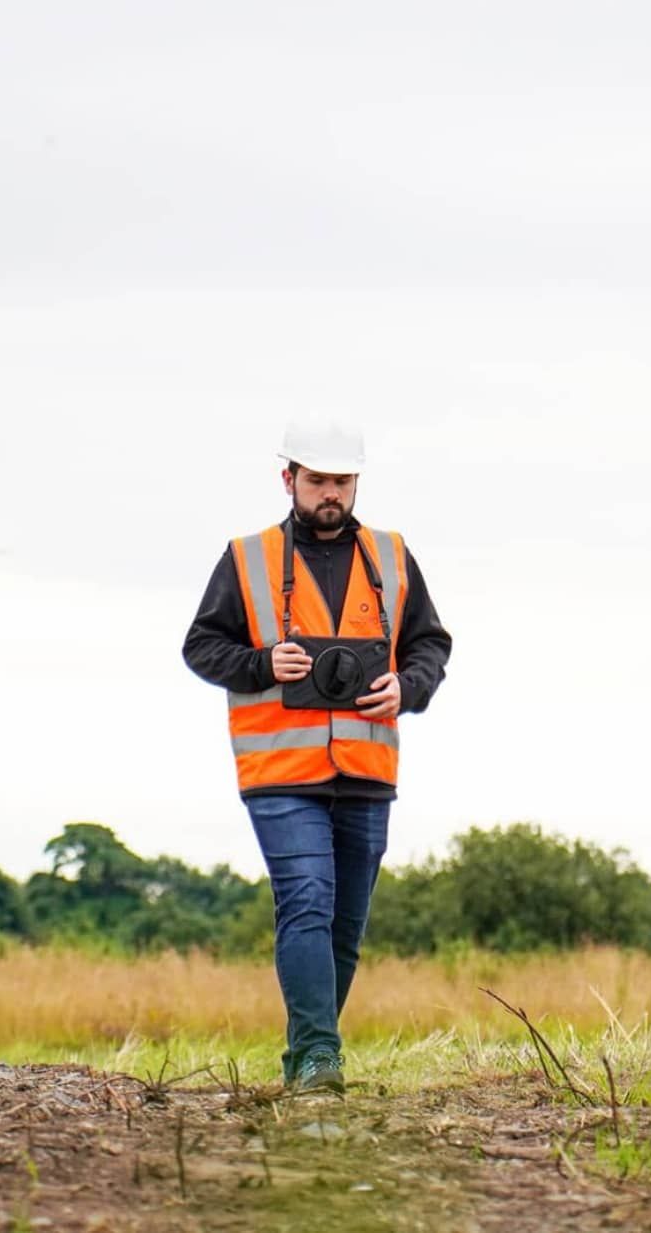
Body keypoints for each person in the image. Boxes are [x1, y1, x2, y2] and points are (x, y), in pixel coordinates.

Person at [182, 415, 453, 1094]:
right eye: (317, 481)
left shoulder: (392, 556)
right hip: (280, 773)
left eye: (341, 481)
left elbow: (430, 644)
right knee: (306, 899)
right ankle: (320, 1060)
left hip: (367, 771)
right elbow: (201, 647)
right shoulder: (245, 559)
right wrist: (264, 662)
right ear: (289, 480)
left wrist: (408, 687)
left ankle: (306, 1052)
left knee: (345, 926)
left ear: (355, 483)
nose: (329, 493)